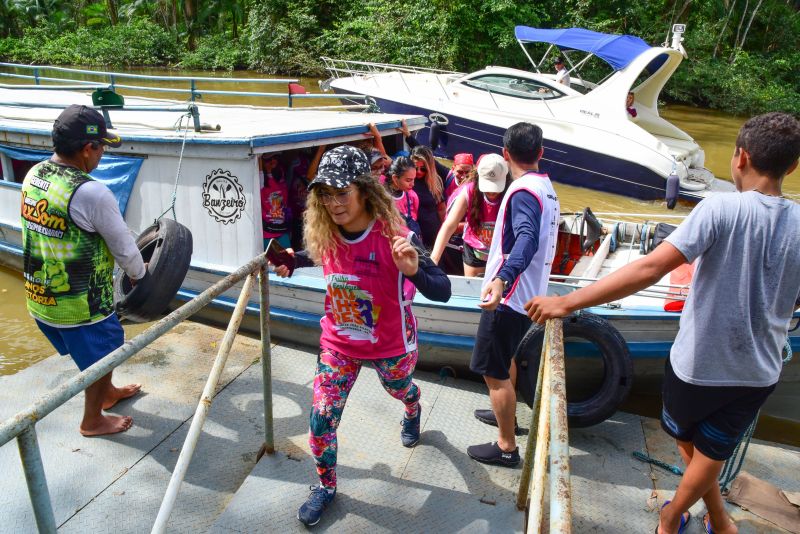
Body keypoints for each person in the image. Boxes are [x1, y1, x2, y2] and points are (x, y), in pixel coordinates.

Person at [526, 112, 800, 534]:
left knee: (689, 442)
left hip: (699, 366)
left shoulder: (720, 208)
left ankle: (671, 519)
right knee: (711, 452)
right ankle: (722, 522)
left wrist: (568, 301)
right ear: (793, 167)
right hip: (759, 372)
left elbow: (650, 269)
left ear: (740, 157)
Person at [270, 145, 451, 527]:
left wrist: (415, 269)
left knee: (399, 388)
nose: (334, 204)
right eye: (326, 195)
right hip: (338, 346)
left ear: (364, 190)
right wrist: (292, 259)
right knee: (320, 421)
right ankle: (325, 486)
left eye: (342, 193)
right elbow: (317, 254)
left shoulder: (397, 235)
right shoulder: (325, 232)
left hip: (391, 345)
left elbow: (442, 289)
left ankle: (413, 406)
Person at [20, 104, 145, 436]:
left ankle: (108, 392)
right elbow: (124, 249)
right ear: (88, 148)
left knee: (95, 357)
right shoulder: (91, 192)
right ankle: (93, 419)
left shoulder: (35, 174)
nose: (103, 153)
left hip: (40, 299)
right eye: (102, 146)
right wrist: (141, 276)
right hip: (82, 308)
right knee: (105, 351)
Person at [466, 122, 560, 466]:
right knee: (505, 360)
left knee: (493, 371)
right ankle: (506, 416)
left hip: (508, 297)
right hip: (527, 294)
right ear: (540, 153)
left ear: (506, 155)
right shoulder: (546, 188)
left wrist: (502, 279)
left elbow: (526, 239)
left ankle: (506, 446)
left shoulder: (523, 192)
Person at [431, 153, 508, 277]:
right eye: (487, 186)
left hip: (501, 251)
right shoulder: (467, 191)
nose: (492, 192)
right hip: (475, 250)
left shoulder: (513, 192)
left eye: (496, 187)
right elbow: (449, 225)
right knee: (474, 289)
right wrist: (434, 259)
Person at [260, 153, 292, 250]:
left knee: (288, 259)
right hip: (267, 231)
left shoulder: (280, 175)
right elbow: (261, 172)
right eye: (269, 158)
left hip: (282, 228)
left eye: (275, 157)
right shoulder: (260, 180)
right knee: (268, 262)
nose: (273, 160)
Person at [385, 156, 422, 236]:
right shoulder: (381, 194)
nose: (413, 184)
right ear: (395, 178)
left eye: (414, 179)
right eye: (408, 180)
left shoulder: (412, 196)